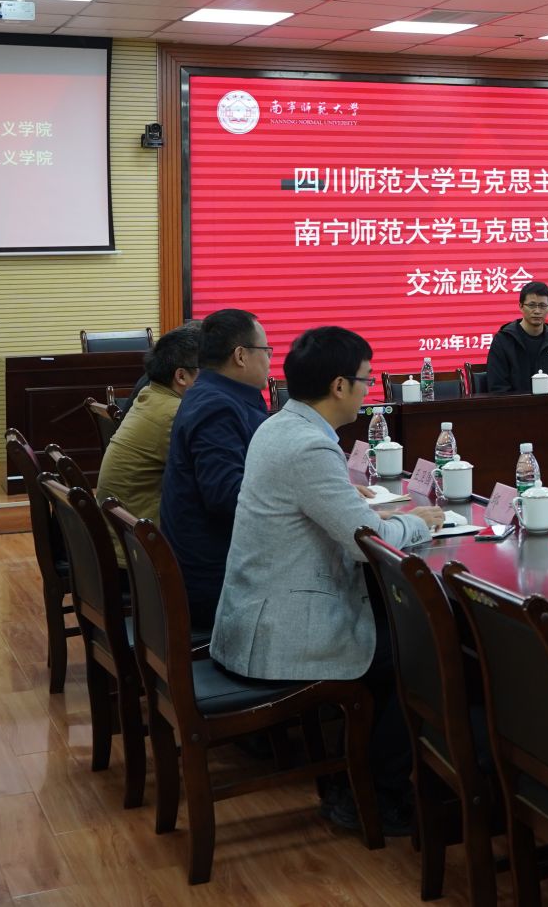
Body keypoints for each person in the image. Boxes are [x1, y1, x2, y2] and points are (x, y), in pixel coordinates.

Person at [209, 326, 444, 837]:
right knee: (422, 657)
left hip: (256, 611)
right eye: (366, 379)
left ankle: (354, 778)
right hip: (281, 629)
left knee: (398, 630)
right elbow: (368, 544)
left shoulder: (280, 425)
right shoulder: (309, 446)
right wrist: (420, 524)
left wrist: (366, 513)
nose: (368, 389)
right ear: (340, 386)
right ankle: (373, 796)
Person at [159, 309, 273, 632]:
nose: (269, 361)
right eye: (266, 351)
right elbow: (225, 496)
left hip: (209, 566)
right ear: (241, 356)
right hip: (216, 583)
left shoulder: (209, 393)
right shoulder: (217, 407)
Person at [97, 323, 201, 565]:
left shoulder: (151, 395)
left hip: (124, 539)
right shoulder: (174, 414)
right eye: (210, 371)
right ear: (181, 376)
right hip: (141, 555)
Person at [486, 281, 548, 394]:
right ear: (521, 306)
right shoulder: (503, 340)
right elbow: (498, 388)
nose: (537, 311)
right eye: (532, 305)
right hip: (513, 404)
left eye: (542, 306)